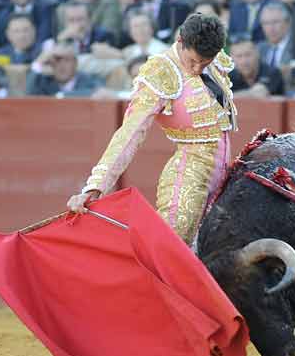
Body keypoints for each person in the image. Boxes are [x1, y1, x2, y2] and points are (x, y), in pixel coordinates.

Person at [67, 14, 236, 245]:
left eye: (204, 63)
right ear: (180, 40)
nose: (197, 69)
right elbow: (131, 132)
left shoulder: (213, 58)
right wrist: (96, 186)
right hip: (189, 174)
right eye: (193, 61)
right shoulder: (160, 71)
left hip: (225, 171)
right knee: (171, 247)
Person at [26, 42, 103, 97]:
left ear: (75, 64)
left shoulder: (89, 79)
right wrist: (39, 63)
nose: (62, 66)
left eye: (67, 60)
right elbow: (28, 97)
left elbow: (98, 93)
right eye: (57, 60)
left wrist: (61, 95)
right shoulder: (44, 81)